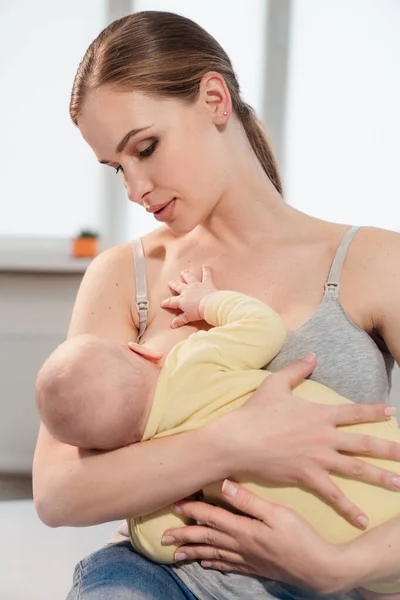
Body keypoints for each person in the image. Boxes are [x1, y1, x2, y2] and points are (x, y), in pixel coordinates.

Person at [32, 10, 400, 600]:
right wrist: (237, 442)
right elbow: (58, 492)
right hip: (158, 579)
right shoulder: (124, 276)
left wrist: (338, 569)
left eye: (145, 148)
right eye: (116, 168)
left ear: (214, 99)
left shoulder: (371, 261)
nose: (135, 189)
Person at [35, 264, 400, 596]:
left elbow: (163, 543)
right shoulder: (192, 359)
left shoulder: (159, 464)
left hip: (347, 563)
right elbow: (263, 326)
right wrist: (208, 302)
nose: (135, 192)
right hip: (380, 491)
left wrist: (139, 504)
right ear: (142, 353)